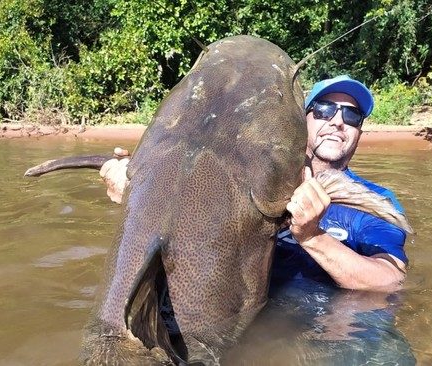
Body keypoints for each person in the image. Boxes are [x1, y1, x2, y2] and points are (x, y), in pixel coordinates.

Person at [99, 75, 408, 292]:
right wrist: (138, 192)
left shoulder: (377, 200)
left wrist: (313, 237)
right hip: (237, 320)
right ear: (302, 122)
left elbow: (390, 281)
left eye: (352, 116)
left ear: (359, 133)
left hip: (333, 328)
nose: (338, 121)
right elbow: (184, 234)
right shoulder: (240, 179)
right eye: (325, 109)